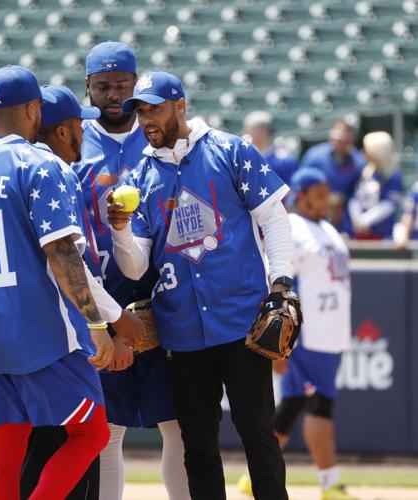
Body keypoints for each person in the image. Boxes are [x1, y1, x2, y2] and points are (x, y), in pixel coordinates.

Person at [108, 71, 294, 499]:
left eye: (154, 108)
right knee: (198, 449)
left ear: (181, 105)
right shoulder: (139, 175)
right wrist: (119, 231)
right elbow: (135, 267)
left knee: (258, 436)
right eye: (140, 112)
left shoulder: (230, 150)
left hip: (241, 323)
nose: (147, 120)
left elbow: (273, 216)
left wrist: (280, 283)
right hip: (183, 331)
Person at [0, 65, 113, 500]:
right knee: (91, 433)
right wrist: (95, 325)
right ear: (35, 108)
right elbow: (61, 254)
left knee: (8, 447)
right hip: (42, 333)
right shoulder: (40, 164)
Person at [17, 84, 145, 500]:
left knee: (18, 446)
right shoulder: (51, 175)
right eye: (77, 127)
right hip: (58, 330)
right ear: (60, 132)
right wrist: (109, 321)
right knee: (80, 439)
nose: (84, 135)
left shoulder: (13, 172)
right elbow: (68, 262)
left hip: (15, 327)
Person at [75, 41, 190, 500]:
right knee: (107, 428)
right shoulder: (75, 137)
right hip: (100, 291)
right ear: (87, 88)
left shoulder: (158, 131)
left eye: (123, 84)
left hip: (167, 288)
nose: (114, 94)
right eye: (102, 86)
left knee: (179, 423)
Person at [241, 168, 353, 500]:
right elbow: (272, 277)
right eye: (317, 195)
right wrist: (277, 341)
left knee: (292, 406)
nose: (325, 201)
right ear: (300, 195)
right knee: (321, 404)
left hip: (331, 334)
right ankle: (330, 483)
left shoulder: (328, 229)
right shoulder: (294, 228)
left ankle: (255, 476)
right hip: (309, 336)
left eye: (326, 195)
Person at [299, 120, 367, 235]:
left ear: (352, 141)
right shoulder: (315, 156)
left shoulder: (359, 162)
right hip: (315, 211)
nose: (340, 143)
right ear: (331, 138)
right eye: (337, 139)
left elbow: (359, 193)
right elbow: (300, 184)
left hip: (345, 216)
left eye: (345, 140)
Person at [348, 131, 403, 240]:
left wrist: (365, 221)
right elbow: (354, 198)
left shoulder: (393, 174)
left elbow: (388, 204)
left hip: (382, 233)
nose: (363, 152)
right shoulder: (364, 170)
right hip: (360, 232)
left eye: (367, 149)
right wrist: (357, 220)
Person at [242, 110, 298, 185]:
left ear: (263, 131)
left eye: (249, 130)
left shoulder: (283, 159)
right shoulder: (245, 155)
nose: (245, 133)